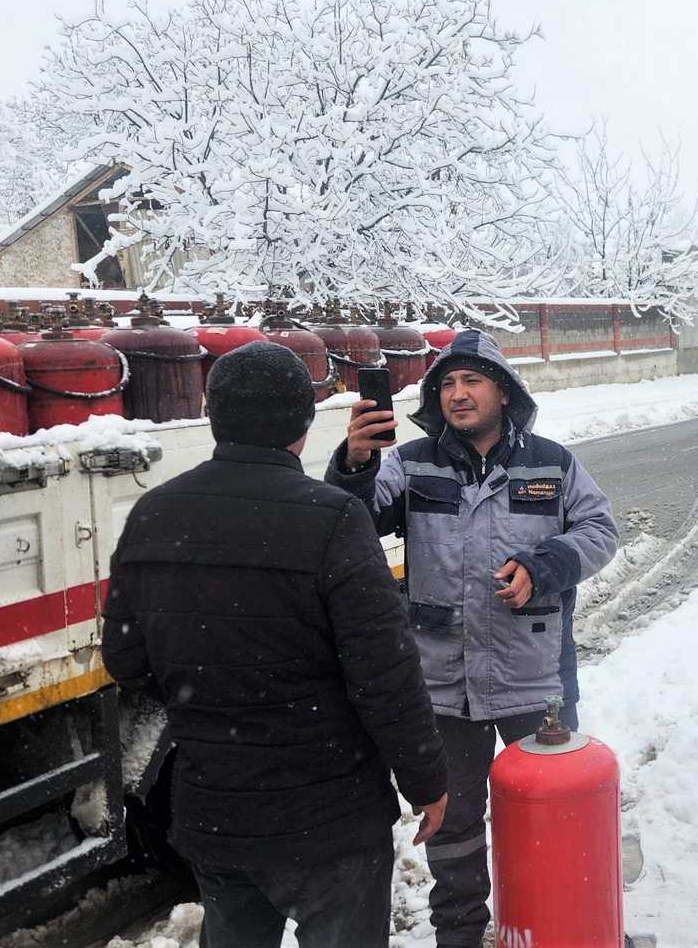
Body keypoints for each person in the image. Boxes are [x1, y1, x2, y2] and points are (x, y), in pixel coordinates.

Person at [102, 340, 449, 948]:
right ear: (304, 421)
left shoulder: (154, 513)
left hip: (216, 811)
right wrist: (427, 782)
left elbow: (126, 660)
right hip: (332, 820)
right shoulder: (333, 519)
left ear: (211, 412)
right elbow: (384, 675)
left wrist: (210, 691)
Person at [326, 329, 618, 947]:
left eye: (472, 381)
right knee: (453, 826)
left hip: (535, 679)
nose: (458, 394)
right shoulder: (410, 463)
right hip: (441, 684)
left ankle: (552, 925)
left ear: (504, 392)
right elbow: (351, 524)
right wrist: (354, 466)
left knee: (550, 812)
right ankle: (459, 936)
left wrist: (545, 566)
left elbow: (599, 529)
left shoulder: (552, 463)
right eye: (447, 384)